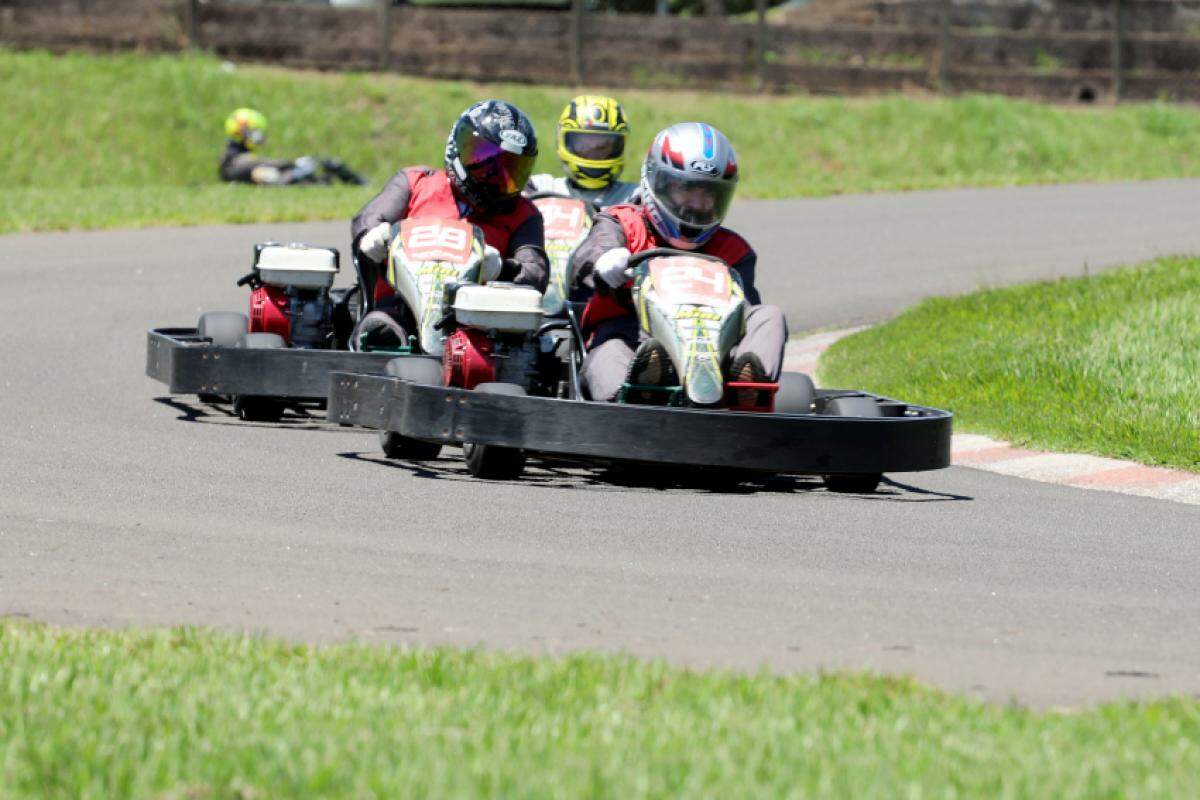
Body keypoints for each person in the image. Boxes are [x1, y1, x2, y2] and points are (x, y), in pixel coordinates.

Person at [570, 122, 787, 404]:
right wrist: (605, 262)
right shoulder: (622, 223)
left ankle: (748, 387)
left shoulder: (732, 250)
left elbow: (745, 311)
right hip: (630, 336)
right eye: (687, 189)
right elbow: (592, 254)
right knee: (610, 355)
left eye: (708, 193)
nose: (697, 204)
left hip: (713, 350)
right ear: (658, 181)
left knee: (769, 316)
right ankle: (641, 391)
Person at [349, 100, 549, 347]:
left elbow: (535, 271)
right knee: (378, 331)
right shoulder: (415, 183)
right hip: (400, 308)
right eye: (485, 161)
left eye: (509, 170)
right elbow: (368, 218)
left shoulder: (524, 214)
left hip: (480, 323)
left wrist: (503, 269)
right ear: (459, 147)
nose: (495, 177)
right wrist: (371, 236)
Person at [524, 95, 638, 210]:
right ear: (562, 142)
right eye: (584, 146)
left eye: (602, 147)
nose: (593, 154)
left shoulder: (636, 198)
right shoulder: (539, 188)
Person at [220, 108, 365, 186]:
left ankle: (357, 184)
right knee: (327, 166)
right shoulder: (236, 160)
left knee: (320, 172)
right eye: (256, 131)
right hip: (277, 179)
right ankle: (361, 185)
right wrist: (294, 163)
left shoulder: (232, 157)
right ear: (243, 131)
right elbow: (260, 164)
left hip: (276, 177)